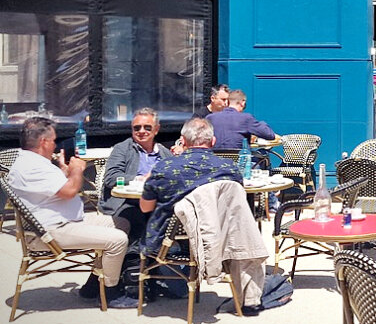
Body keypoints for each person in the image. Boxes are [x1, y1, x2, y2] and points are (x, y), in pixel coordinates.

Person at [139, 118, 266, 313]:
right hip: (219, 240)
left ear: (182, 140)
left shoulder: (165, 168)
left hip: (172, 241)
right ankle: (248, 298)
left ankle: (159, 286)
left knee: (143, 227)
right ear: (213, 141)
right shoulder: (230, 169)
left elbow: (146, 208)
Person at [5, 117, 135, 308]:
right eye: (53, 141)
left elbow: (52, 190)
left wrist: (65, 174)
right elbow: (69, 191)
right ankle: (110, 293)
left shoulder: (30, 161)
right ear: (43, 142)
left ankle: (92, 286)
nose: (54, 145)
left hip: (61, 222)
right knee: (118, 240)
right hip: (51, 232)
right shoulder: (33, 166)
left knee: (122, 223)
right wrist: (77, 170)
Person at [101, 108, 171, 246]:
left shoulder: (165, 153)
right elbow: (111, 177)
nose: (141, 131)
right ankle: (133, 264)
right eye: (137, 128)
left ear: (156, 129)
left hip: (156, 202)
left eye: (147, 127)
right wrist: (139, 179)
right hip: (126, 202)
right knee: (135, 217)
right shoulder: (122, 148)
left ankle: (161, 259)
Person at [206, 89, 277, 150]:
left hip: (216, 162)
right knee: (264, 154)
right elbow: (270, 135)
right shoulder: (246, 118)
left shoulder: (210, 118)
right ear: (242, 103)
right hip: (239, 162)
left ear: (227, 102)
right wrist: (262, 123)